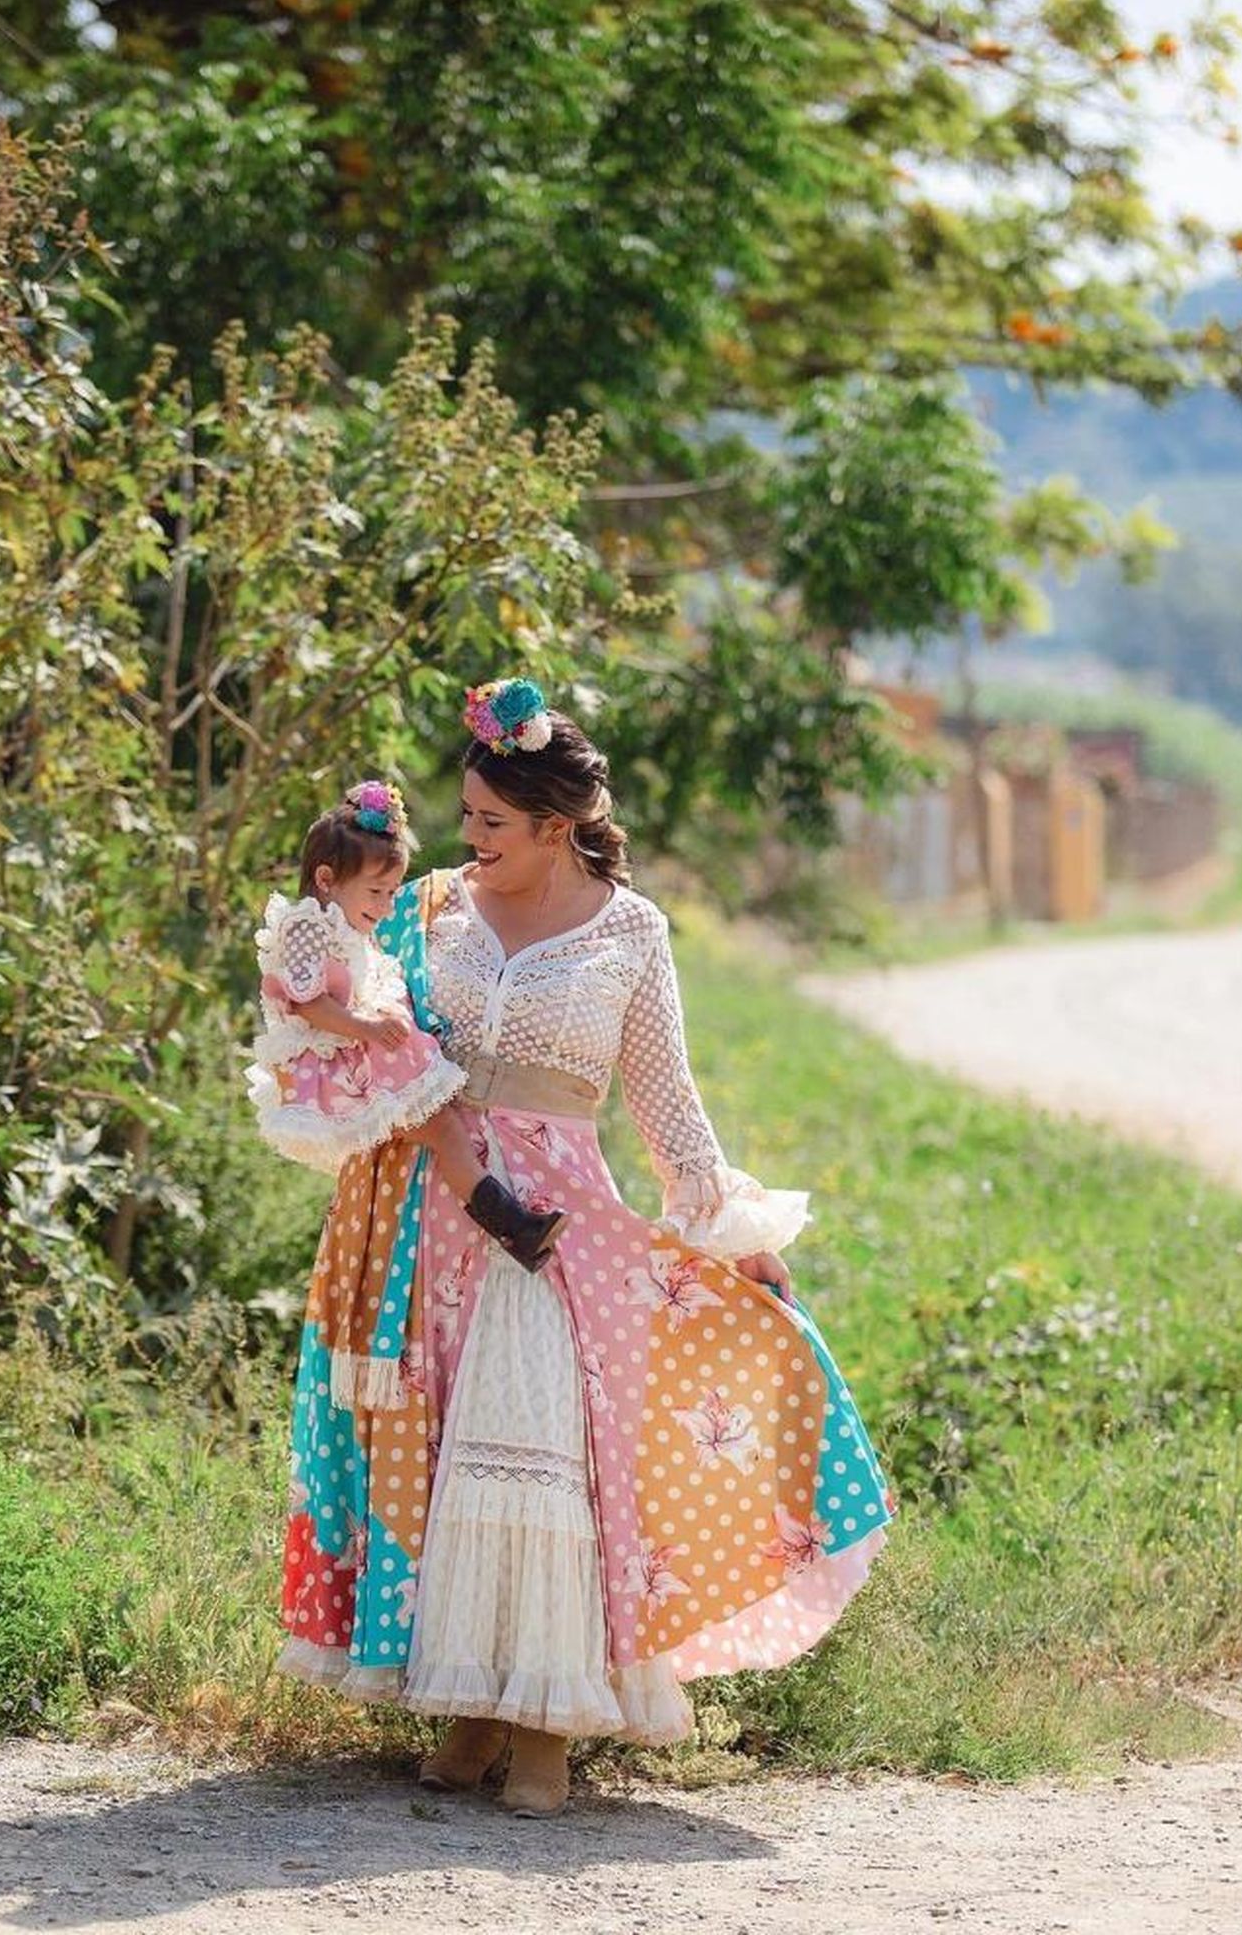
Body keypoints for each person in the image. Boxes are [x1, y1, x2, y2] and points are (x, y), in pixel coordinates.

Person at [276, 682, 896, 1817]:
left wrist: (732, 1230)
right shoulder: (425, 910)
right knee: (454, 1461)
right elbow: (361, 1029)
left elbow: (664, 1100)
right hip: (439, 1214)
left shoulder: (629, 929)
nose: (468, 841)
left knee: (548, 1454)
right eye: (464, 817)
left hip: (563, 1226)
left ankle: (547, 1728)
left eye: (491, 824)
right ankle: (470, 1706)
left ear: (556, 826)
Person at [248, 779, 567, 1298]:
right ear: (326, 879)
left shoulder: (337, 921)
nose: (388, 905)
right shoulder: (305, 924)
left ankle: (511, 1225)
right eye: (377, 892)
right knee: (441, 1129)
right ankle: (512, 1226)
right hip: (339, 1059)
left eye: (394, 892)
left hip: (356, 1050)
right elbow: (307, 1002)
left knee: (442, 1128)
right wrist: (369, 1029)